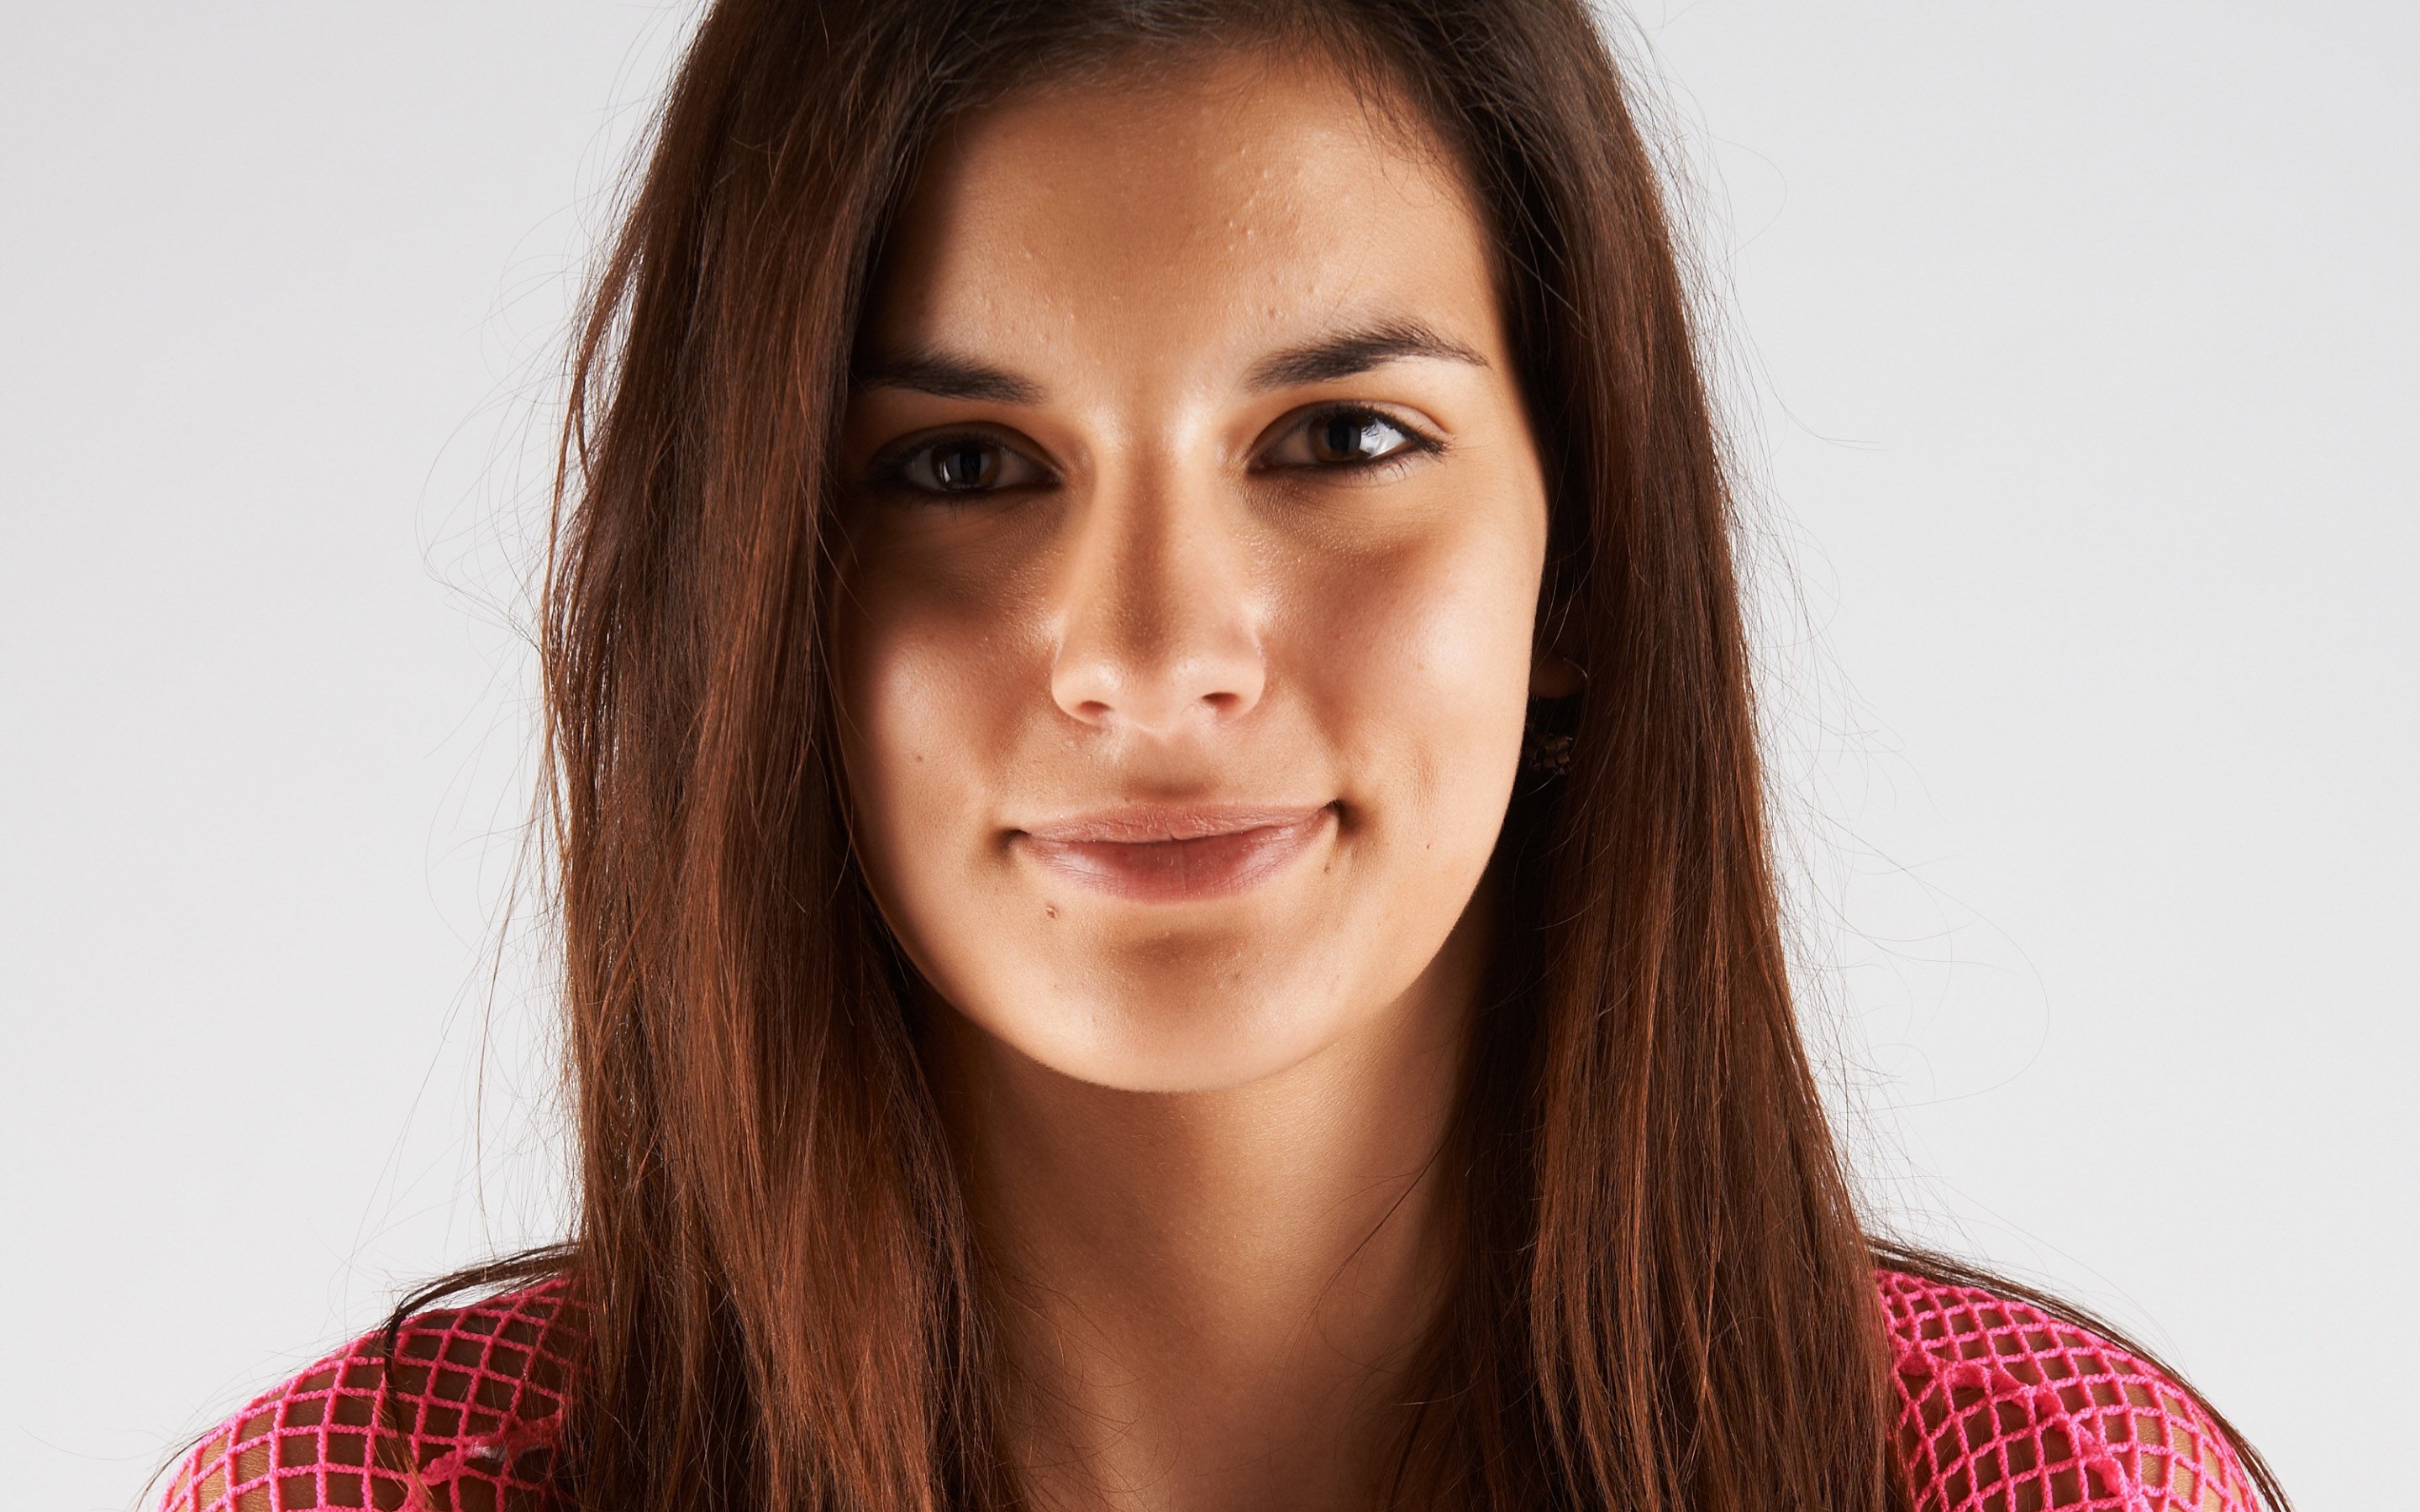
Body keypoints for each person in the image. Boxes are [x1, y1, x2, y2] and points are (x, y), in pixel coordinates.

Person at [157, 2, 2290, 1509]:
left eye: (1340, 439)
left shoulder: (2046, 1491)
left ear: (1581, 557)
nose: (1158, 657)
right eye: (964, 464)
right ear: (751, 603)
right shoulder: (365, 1503)